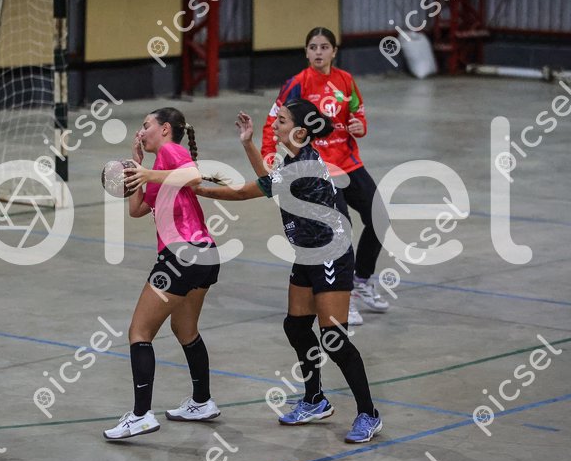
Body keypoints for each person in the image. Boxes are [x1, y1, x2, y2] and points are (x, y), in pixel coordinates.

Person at [195, 99, 382, 443]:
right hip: (308, 253)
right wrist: (248, 144)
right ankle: (315, 399)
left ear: (299, 130)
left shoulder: (303, 167)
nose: (275, 125)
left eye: (281, 121)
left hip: (331, 254)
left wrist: (199, 190)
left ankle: (368, 413)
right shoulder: (294, 160)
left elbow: (249, 191)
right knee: (296, 326)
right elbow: (268, 181)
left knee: (334, 339)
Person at [103, 108, 221, 441]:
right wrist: (137, 166)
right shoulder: (158, 167)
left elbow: (193, 175)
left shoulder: (171, 151)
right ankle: (202, 402)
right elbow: (137, 210)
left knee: (139, 331)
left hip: (180, 254)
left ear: (165, 129)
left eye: (146, 126)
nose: (141, 132)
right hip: (205, 255)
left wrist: (148, 173)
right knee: (185, 329)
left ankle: (141, 416)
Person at [260, 27, 388, 326]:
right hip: (320, 169)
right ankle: (344, 296)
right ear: (306, 52)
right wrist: (269, 155)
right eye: (313, 47)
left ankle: (362, 280)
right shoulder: (297, 84)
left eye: (324, 47)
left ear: (334, 51)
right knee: (341, 229)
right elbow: (272, 120)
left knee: (379, 219)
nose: (319, 52)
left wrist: (360, 126)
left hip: (349, 163)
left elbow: (357, 112)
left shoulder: (346, 80)